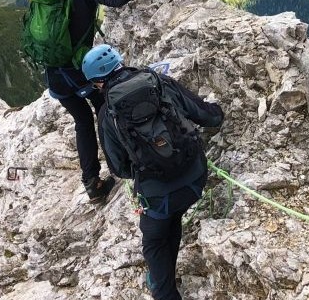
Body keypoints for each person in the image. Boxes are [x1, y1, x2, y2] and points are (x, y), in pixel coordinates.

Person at [82, 44, 224, 300]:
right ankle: (165, 278)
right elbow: (205, 115)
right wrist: (218, 111)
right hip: (195, 178)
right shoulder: (158, 81)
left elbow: (119, 168)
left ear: (98, 83)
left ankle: (164, 291)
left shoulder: (107, 113)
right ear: (121, 62)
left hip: (160, 197)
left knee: (155, 240)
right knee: (172, 218)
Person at [44, 0, 175, 203]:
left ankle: (92, 183)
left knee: (82, 121)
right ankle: (130, 161)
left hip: (55, 74)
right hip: (79, 71)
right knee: (107, 108)